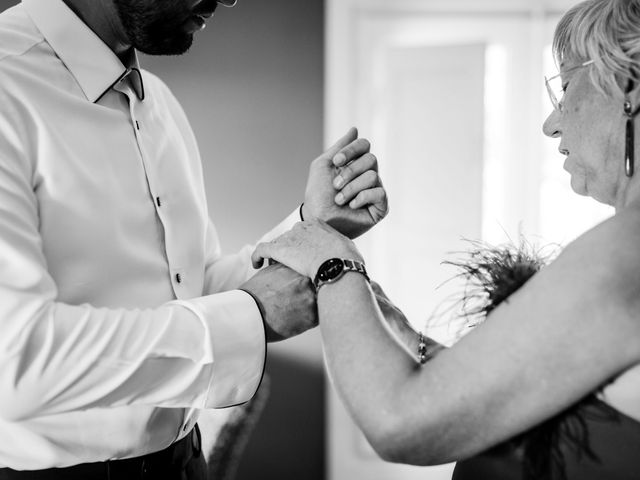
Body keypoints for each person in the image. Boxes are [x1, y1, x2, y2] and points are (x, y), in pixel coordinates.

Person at [250, 0, 640, 478]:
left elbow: (398, 424)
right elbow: (523, 386)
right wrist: (396, 329)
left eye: (564, 87)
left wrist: (334, 263)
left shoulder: (627, 251)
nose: (551, 122)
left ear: (629, 84)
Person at [0, 0, 389, 478]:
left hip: (185, 462)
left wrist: (312, 226)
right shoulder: (6, 85)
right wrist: (252, 316)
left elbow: (195, 288)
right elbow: (15, 361)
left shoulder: (158, 103)